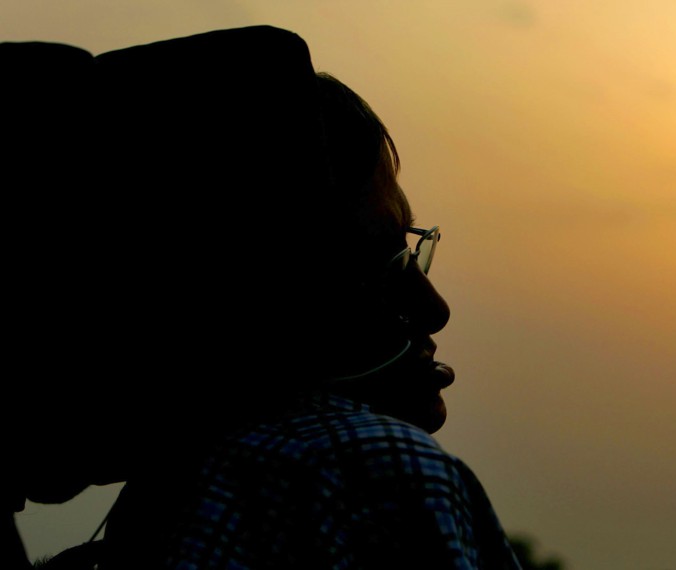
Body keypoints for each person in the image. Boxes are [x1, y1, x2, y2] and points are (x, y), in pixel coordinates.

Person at [4, 26, 520, 569]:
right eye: (369, 264)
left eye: (409, 254)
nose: (434, 307)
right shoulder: (357, 467)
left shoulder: (178, 491)